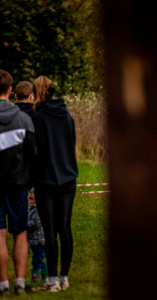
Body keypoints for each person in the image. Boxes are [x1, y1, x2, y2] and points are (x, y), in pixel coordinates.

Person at [32, 76, 78, 292]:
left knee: (50, 230)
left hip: (46, 181)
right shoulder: (67, 115)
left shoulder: (38, 118)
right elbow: (72, 143)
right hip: (68, 178)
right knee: (64, 227)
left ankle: (52, 280)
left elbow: (35, 152)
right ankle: (64, 277)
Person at [0, 70, 36, 295]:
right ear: (11, 90)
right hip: (17, 184)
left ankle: (3, 285)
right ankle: (20, 284)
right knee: (20, 232)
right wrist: (31, 186)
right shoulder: (24, 118)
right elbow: (32, 156)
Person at [26, 187, 47, 285]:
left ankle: (35, 279)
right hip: (35, 241)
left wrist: (24, 224)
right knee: (39, 260)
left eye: (34, 194)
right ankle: (45, 277)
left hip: (39, 241)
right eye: (30, 193)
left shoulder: (38, 210)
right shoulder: (31, 209)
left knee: (36, 261)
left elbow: (35, 224)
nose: (31, 194)